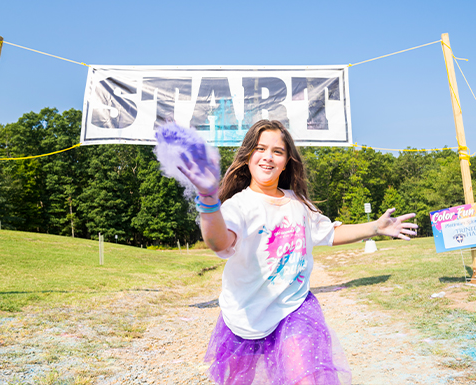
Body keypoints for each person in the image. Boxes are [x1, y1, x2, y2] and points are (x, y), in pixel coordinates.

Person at [166, 119, 418, 385]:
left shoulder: (298, 203)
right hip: (244, 316)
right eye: (260, 149)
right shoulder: (238, 206)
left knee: (305, 378)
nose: (268, 157)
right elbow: (219, 242)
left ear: (286, 161)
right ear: (248, 156)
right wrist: (208, 200)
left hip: (294, 309)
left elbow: (330, 233)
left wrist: (375, 227)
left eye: (278, 151)